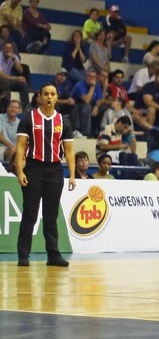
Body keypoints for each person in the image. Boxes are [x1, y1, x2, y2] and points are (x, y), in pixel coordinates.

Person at [15, 83, 76, 267]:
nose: (49, 97)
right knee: (30, 214)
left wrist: (72, 175)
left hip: (55, 170)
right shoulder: (29, 118)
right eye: (46, 94)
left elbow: (70, 150)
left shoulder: (63, 121)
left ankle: (53, 256)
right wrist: (19, 171)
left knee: (51, 216)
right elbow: (19, 147)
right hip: (33, 168)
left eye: (53, 94)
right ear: (39, 97)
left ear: (57, 97)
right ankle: (23, 256)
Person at [70, 68, 104, 138]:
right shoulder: (80, 85)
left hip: (90, 105)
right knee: (87, 107)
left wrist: (96, 107)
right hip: (76, 106)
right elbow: (86, 100)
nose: (92, 78)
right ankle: (84, 133)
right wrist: (92, 87)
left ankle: (99, 134)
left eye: (94, 77)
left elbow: (100, 99)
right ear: (86, 77)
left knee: (104, 109)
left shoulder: (97, 85)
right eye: (90, 76)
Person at [0, 40, 30, 110]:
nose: (8, 50)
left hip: (7, 80)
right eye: (6, 48)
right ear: (3, 49)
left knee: (23, 83)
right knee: (5, 82)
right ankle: (6, 108)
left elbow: (20, 70)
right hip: (1, 80)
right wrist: (16, 78)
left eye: (10, 48)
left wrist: (13, 59)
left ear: (13, 49)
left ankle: (26, 109)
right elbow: (1, 75)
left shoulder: (14, 57)